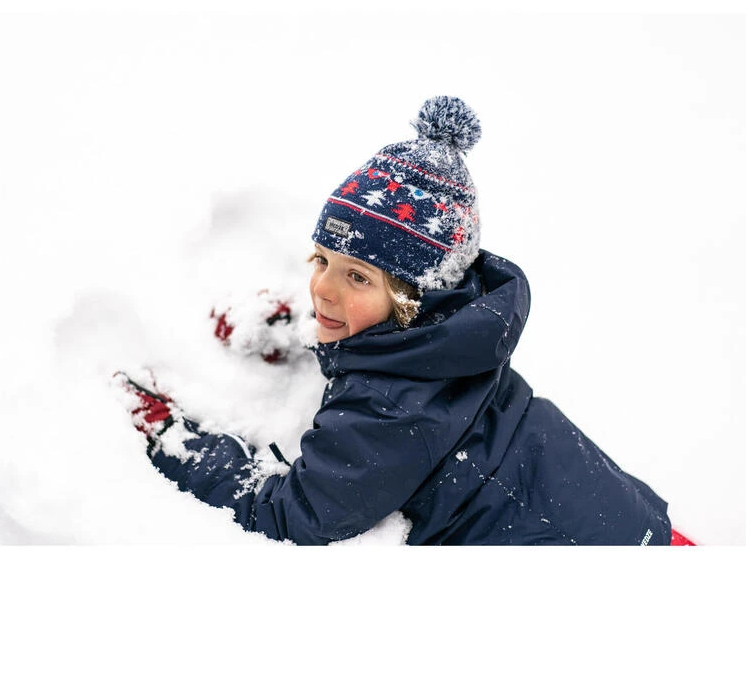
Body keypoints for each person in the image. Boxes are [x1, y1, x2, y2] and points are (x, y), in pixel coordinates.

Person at [116, 96, 676, 545]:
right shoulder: (456, 340)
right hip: (631, 523)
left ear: (417, 299)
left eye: (356, 277)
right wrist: (300, 328)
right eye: (321, 261)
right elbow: (381, 346)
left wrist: (179, 442)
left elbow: (295, 517)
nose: (322, 289)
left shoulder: (387, 414)